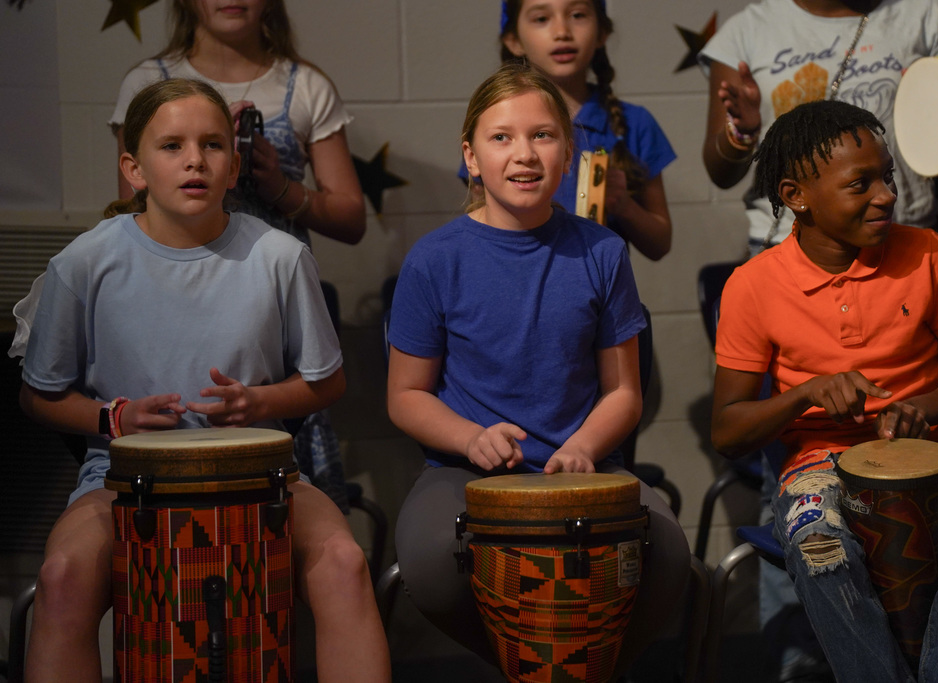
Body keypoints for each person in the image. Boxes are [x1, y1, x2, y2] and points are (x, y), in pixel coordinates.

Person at [19, 78, 389, 682]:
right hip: (123, 477)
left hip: (262, 477)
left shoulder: (280, 257)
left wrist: (259, 402)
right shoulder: (84, 262)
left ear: (234, 164)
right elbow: (39, 396)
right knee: (62, 578)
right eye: (172, 146)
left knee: (345, 564)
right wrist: (114, 419)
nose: (195, 160)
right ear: (133, 168)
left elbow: (328, 383)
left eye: (213, 145)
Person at [388, 62, 690, 675]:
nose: (523, 154)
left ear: (569, 153)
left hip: (584, 466)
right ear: (471, 157)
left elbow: (624, 392)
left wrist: (583, 447)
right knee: (426, 561)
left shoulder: (602, 251)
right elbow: (406, 397)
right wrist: (472, 438)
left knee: (668, 558)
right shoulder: (433, 260)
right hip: (465, 473)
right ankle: (528, 664)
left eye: (542, 136)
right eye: (501, 138)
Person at [710, 99, 938, 682]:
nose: (885, 195)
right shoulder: (753, 286)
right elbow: (727, 430)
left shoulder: (929, 254)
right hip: (818, 465)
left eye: (888, 177)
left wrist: (921, 410)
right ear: (796, 195)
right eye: (862, 184)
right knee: (820, 546)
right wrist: (806, 394)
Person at [110, 0, 367, 512]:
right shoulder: (147, 81)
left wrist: (277, 185)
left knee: (286, 505)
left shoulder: (304, 85)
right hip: (175, 300)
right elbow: (127, 211)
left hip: (270, 313)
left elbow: (350, 217)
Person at [699, 0, 938, 256]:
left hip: (902, 236)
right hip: (794, 243)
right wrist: (743, 133)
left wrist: (930, 106)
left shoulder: (926, 14)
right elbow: (720, 174)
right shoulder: (746, 31)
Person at [458, 0, 675, 261]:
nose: (562, 31)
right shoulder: (491, 125)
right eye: (541, 19)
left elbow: (660, 244)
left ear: (602, 32)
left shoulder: (635, 123)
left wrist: (624, 205)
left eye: (577, 15)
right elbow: (482, 226)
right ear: (514, 39)